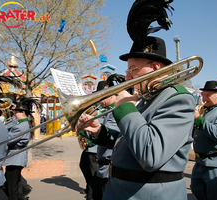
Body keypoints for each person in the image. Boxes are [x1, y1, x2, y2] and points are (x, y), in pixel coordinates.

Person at [77, 36, 196, 200]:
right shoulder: (147, 98)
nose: (127, 78)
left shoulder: (178, 99)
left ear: (155, 67)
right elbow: (128, 141)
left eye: (132, 70)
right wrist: (99, 131)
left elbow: (150, 154)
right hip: (120, 190)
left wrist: (124, 107)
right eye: (127, 71)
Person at [3, 97, 42, 200]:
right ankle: (23, 191)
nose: (14, 114)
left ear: (23, 113)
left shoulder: (21, 126)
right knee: (12, 183)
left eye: (16, 112)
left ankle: (21, 194)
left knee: (12, 187)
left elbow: (7, 140)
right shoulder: (21, 124)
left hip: (15, 158)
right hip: (15, 157)